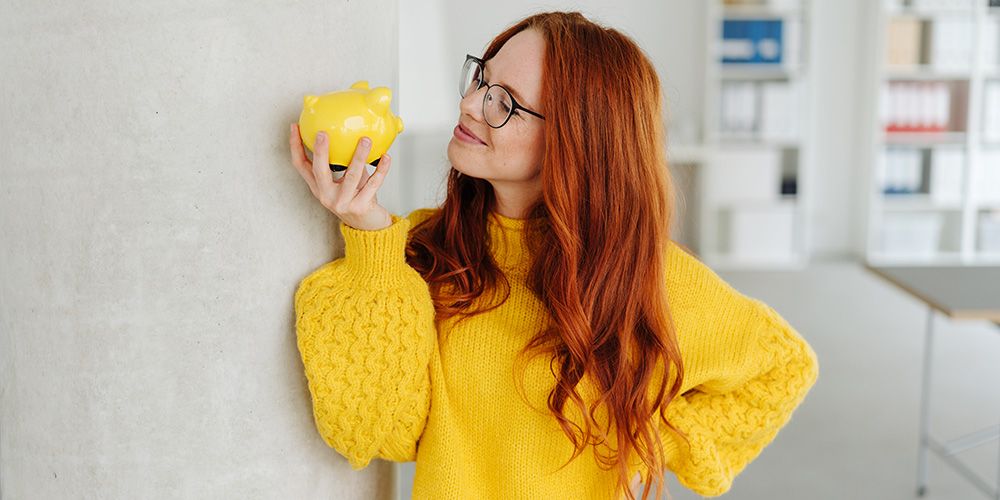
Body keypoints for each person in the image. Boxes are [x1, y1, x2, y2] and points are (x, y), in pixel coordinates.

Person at [289, 11, 819, 500]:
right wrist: (370, 238)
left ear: (575, 138)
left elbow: (782, 369)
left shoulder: (645, 277)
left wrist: (652, 437)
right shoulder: (424, 251)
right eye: (481, 78)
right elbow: (377, 431)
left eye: (506, 101)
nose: (471, 104)